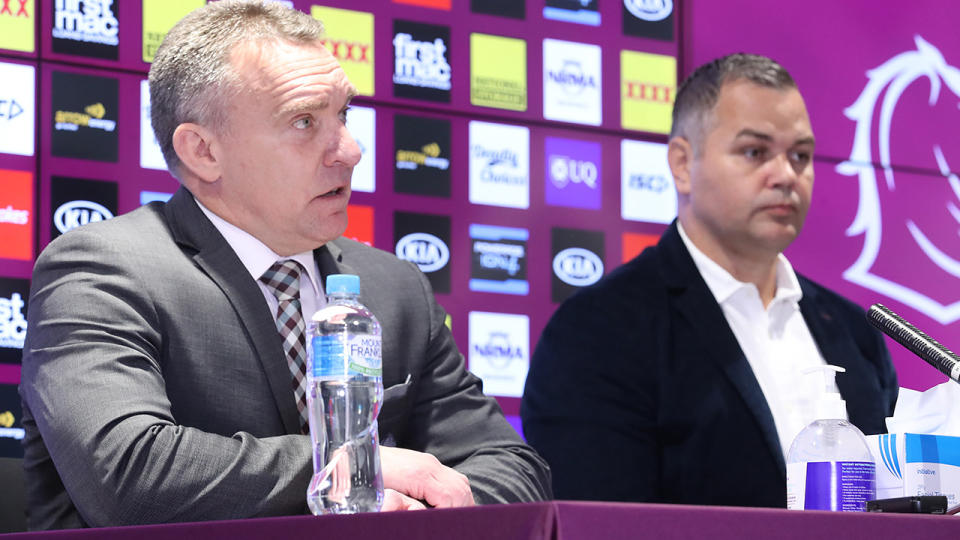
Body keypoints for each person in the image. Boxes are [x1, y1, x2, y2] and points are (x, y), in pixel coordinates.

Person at [19, 0, 550, 530]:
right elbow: (128, 476)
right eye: (303, 121)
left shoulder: (394, 287)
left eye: (342, 114)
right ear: (203, 151)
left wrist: (417, 507)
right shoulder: (103, 270)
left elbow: (511, 467)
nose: (350, 150)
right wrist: (350, 470)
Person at [521, 53, 898, 508]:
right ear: (682, 163)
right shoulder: (597, 331)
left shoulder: (854, 331)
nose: (786, 176)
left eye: (801, 155)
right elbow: (598, 521)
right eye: (755, 152)